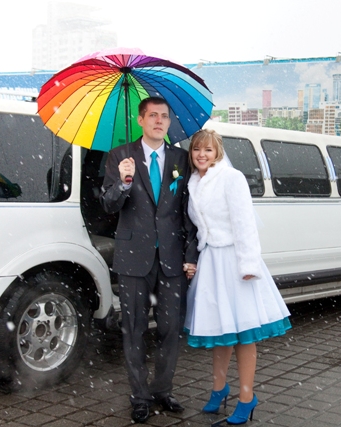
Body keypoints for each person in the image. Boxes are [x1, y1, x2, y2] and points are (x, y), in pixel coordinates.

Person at [100, 97, 198, 424]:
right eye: (152, 115)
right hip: (133, 259)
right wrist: (124, 182)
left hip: (172, 259)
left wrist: (191, 255)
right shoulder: (119, 156)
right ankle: (139, 396)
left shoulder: (181, 159)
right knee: (134, 330)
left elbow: (189, 211)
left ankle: (162, 390)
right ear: (140, 120)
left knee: (171, 330)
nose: (159, 121)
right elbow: (108, 205)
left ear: (169, 122)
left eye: (164, 116)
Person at [184, 129, 291, 425]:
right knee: (221, 331)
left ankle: (246, 397)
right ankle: (219, 389)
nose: (202, 155)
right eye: (197, 150)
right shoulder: (193, 182)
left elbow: (245, 224)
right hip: (210, 262)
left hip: (235, 263)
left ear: (217, 152)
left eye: (208, 150)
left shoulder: (232, 178)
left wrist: (248, 265)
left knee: (244, 333)